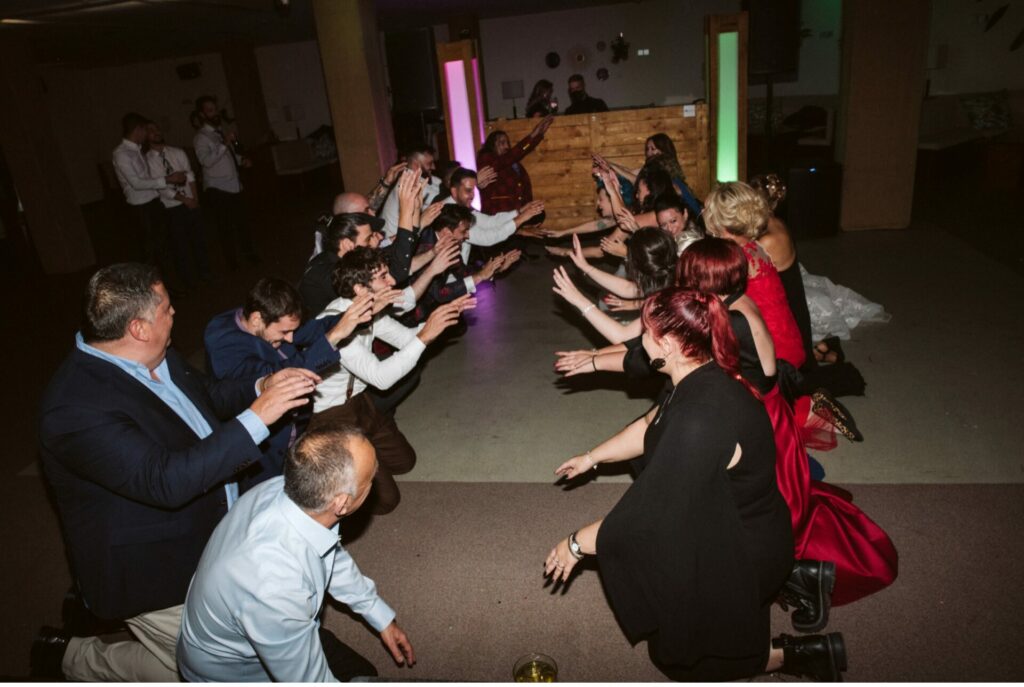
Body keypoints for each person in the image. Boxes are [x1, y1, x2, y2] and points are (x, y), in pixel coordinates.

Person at [33, 263, 320, 681]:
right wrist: (258, 417)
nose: (174, 314)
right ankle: (74, 659)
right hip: (154, 568)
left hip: (204, 537)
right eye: (166, 308)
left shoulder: (157, 354)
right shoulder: (74, 408)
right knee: (216, 671)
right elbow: (166, 481)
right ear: (139, 328)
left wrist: (262, 387)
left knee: (216, 659)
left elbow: (207, 398)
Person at [545, 288, 846, 681]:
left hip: (743, 549)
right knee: (677, 643)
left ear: (668, 344)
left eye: (645, 334)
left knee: (691, 663)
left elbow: (651, 511)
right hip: (734, 520)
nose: (638, 342)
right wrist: (593, 457)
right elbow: (651, 424)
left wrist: (576, 544)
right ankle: (802, 581)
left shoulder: (700, 420)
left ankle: (804, 654)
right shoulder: (699, 373)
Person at [177, 427, 415, 681]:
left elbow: (331, 554)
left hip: (268, 627)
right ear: (342, 504)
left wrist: (378, 614)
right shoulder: (273, 585)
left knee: (364, 671)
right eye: (371, 477)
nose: (376, 476)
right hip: (237, 671)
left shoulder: (288, 490)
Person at [308, 247, 475, 514]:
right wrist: (424, 337)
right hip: (332, 415)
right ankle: (342, 462)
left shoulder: (370, 309)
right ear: (360, 289)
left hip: (362, 403)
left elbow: (407, 337)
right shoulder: (335, 325)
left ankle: (363, 453)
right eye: (383, 277)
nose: (393, 281)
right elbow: (382, 379)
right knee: (387, 502)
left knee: (405, 462)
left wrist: (439, 317)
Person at [204, 277, 375, 489]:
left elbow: (311, 330)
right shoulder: (225, 344)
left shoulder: (265, 316)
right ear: (257, 319)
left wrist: (356, 317)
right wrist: (333, 337)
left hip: (294, 430)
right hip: (264, 450)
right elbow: (276, 376)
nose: (291, 339)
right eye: (284, 332)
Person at [405, 204, 520, 323]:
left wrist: (494, 269)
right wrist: (480, 276)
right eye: (463, 231)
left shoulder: (446, 244)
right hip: (409, 315)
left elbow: (463, 272)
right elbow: (439, 293)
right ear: (446, 232)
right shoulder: (426, 248)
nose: (467, 235)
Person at [111, 112, 187, 291]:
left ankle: (171, 287)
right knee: (149, 253)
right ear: (138, 129)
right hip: (141, 208)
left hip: (152, 203)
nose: (147, 134)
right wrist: (168, 179)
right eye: (146, 130)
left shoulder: (137, 150)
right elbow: (136, 183)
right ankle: (148, 292)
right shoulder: (121, 154)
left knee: (164, 248)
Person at [193, 94, 258, 270]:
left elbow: (227, 157)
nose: (214, 113)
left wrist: (241, 160)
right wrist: (224, 143)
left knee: (241, 223)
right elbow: (206, 161)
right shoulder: (201, 137)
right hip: (218, 189)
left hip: (234, 185)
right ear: (201, 114)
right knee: (225, 227)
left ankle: (248, 254)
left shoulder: (220, 132)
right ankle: (232, 262)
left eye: (215, 109)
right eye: (209, 110)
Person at [144, 121, 211, 289]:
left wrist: (194, 198)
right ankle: (189, 280)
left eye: (157, 128)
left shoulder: (177, 152)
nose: (156, 132)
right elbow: (160, 187)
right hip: (172, 207)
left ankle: (206, 273)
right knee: (180, 245)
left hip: (191, 201)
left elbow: (190, 174)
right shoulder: (148, 160)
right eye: (151, 131)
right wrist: (185, 200)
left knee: (199, 240)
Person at [476, 115, 553, 215]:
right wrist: (533, 135)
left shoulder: (512, 162)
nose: (507, 146)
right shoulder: (486, 158)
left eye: (507, 143)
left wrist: (539, 134)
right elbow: (514, 154)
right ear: (492, 145)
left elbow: (522, 151)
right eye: (502, 143)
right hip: (497, 215)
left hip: (515, 214)